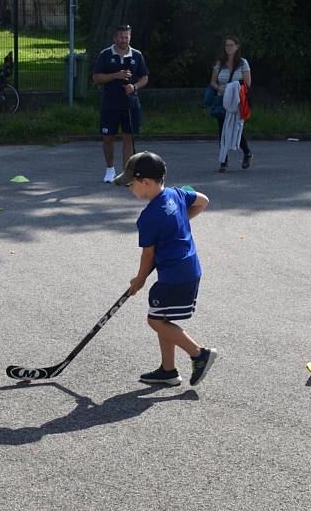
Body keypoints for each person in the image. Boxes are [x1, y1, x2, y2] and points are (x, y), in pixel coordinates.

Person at [113, 151, 218, 386]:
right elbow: (203, 200)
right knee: (163, 317)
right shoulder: (176, 194)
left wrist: (139, 280)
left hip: (175, 276)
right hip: (189, 269)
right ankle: (168, 370)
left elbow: (148, 253)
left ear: (146, 183)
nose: (130, 189)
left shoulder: (149, 217)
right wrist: (180, 222)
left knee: (155, 320)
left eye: (131, 184)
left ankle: (199, 354)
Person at [92, 25, 149, 183]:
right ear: (115, 38)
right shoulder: (105, 54)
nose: (124, 40)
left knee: (128, 137)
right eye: (121, 37)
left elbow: (144, 77)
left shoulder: (137, 55)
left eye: (126, 37)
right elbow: (96, 77)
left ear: (130, 37)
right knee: (108, 137)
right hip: (110, 104)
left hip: (130, 104)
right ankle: (110, 169)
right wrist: (115, 75)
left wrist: (134, 86)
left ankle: (126, 172)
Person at [209, 36, 253, 171]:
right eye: (227, 45)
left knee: (236, 130)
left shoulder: (243, 63)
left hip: (236, 102)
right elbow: (213, 82)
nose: (228, 48)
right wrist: (219, 88)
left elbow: (248, 83)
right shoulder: (219, 63)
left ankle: (247, 152)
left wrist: (234, 88)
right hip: (221, 100)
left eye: (231, 45)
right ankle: (223, 162)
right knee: (222, 131)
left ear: (237, 46)